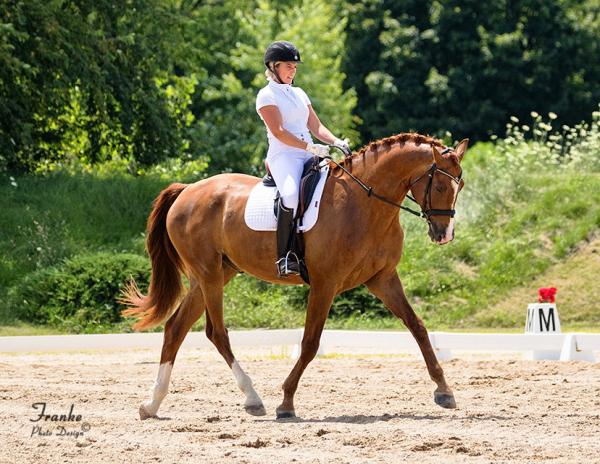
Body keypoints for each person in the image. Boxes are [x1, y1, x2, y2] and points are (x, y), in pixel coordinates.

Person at [256, 40, 350, 277]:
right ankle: (285, 256)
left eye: (295, 67)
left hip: (310, 153)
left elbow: (316, 126)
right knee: (289, 195)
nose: (293, 71)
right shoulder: (266, 95)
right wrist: (309, 147)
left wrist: (336, 142)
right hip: (284, 156)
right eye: (288, 66)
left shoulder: (299, 93)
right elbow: (278, 131)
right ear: (274, 66)